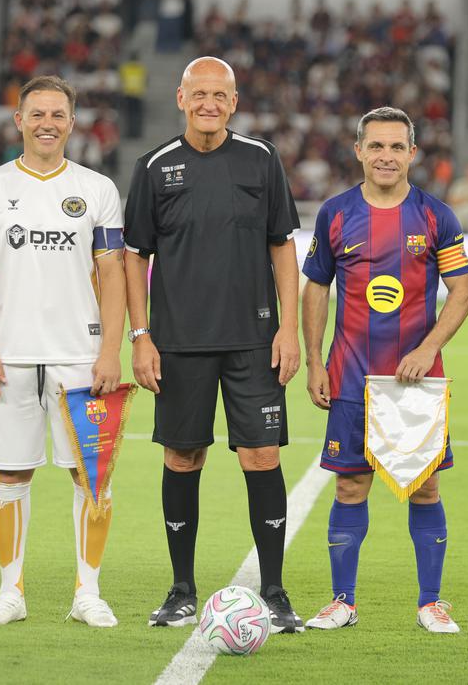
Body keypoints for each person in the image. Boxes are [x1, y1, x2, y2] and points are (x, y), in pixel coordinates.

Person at [124, 56, 304, 632]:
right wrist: (141, 335)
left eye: (219, 95)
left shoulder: (261, 159)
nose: (209, 103)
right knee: (183, 456)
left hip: (253, 340)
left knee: (262, 455)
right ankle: (180, 589)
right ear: (181, 98)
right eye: (198, 93)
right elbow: (134, 256)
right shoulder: (154, 167)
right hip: (178, 342)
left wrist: (288, 327)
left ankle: (273, 591)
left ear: (233, 100)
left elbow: (282, 246)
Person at [0, 75, 127, 628]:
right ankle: (11, 592)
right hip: (8, 356)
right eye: (37, 114)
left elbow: (112, 274)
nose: (47, 123)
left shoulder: (98, 189)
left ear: (73, 122)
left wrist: (110, 352)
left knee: (90, 477)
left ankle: (88, 592)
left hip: (80, 356)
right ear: (19, 120)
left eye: (58, 114)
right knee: (10, 474)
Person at [300, 107, 468, 633]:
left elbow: (462, 293)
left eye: (397, 147)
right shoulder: (334, 213)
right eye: (376, 146)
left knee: (424, 489)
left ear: (412, 154)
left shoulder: (435, 216)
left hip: (416, 381)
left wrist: (427, 349)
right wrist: (314, 361)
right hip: (351, 378)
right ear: (358, 150)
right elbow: (316, 288)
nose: (386, 156)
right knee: (350, 488)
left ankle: (430, 602)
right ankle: (343, 602)